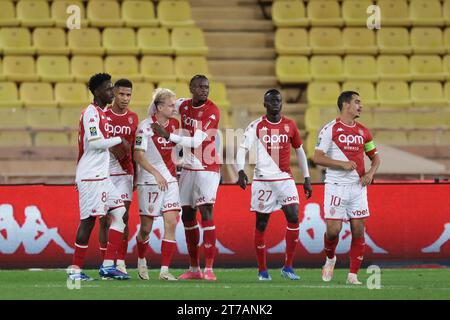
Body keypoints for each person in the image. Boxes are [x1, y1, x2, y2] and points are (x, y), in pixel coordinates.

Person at [236, 89, 312, 281]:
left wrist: (307, 177)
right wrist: (240, 170)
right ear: (265, 104)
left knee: (294, 217)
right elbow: (242, 148)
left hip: (285, 179)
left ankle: (288, 267)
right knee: (262, 223)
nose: (276, 103)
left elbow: (300, 152)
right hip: (263, 180)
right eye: (272, 101)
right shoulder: (256, 126)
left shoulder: (290, 125)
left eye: (278, 100)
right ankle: (262, 270)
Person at [151, 75, 221, 281]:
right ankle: (194, 268)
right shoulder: (182, 104)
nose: (204, 90)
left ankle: (209, 268)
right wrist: (151, 120)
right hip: (188, 168)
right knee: (188, 216)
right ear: (191, 88)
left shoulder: (212, 111)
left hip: (207, 167)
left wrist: (167, 135)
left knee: (206, 212)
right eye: (199, 87)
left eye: (207, 87)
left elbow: (198, 140)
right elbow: (159, 104)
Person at [313, 91, 380, 285]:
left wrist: (370, 174)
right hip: (335, 186)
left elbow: (375, 158)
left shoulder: (364, 132)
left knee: (358, 230)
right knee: (333, 231)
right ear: (345, 105)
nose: (361, 105)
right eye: (357, 102)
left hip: (357, 187)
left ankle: (353, 275)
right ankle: (330, 258)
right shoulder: (330, 129)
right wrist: (341, 164)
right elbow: (317, 157)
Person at [68, 73, 130, 281]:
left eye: (112, 87)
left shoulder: (101, 113)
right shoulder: (91, 113)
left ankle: (107, 265)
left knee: (121, 213)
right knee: (88, 221)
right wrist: (118, 139)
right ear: (96, 91)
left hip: (102, 176)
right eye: (108, 88)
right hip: (91, 175)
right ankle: (75, 269)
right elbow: (94, 143)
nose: (111, 91)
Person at [133, 88, 181, 281]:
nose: (174, 108)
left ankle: (164, 270)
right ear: (159, 107)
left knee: (171, 222)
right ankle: (141, 259)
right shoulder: (145, 126)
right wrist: (156, 173)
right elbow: (138, 155)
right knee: (146, 228)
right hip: (150, 182)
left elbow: (177, 151)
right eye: (170, 105)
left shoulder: (176, 125)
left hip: (170, 181)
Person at [99, 79, 139, 275]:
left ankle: (120, 262)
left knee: (122, 217)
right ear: (114, 93)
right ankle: (105, 261)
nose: (125, 98)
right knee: (105, 219)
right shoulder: (103, 116)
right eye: (122, 94)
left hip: (125, 174)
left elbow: (134, 149)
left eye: (128, 95)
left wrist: (136, 175)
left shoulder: (133, 118)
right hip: (105, 172)